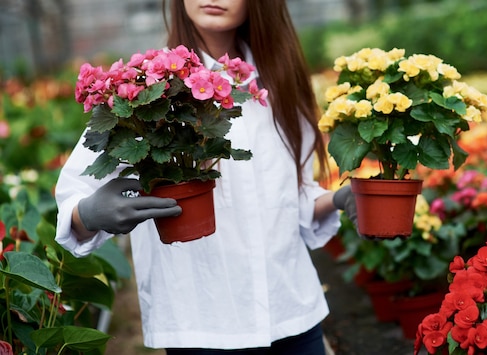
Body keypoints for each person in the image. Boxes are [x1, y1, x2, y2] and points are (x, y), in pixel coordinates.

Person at [54, 0, 357, 354]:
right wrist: (89, 213)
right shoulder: (146, 85)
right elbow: (74, 199)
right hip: (201, 326)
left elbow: (292, 198)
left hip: (292, 314)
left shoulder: (279, 84)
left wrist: (337, 198)